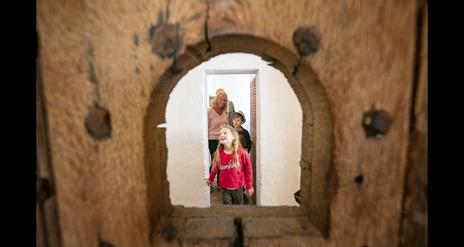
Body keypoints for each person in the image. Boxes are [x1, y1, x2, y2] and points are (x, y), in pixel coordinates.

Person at [206, 125, 254, 205]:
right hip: (224, 188)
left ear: (233, 137)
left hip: (238, 188)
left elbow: (248, 170)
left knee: (238, 209)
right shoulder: (219, 154)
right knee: (227, 208)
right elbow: (214, 168)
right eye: (220, 134)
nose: (221, 135)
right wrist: (211, 179)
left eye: (225, 133)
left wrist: (249, 186)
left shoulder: (242, 153)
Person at [208, 90, 229, 190]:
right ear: (217, 99)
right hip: (212, 139)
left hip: (223, 140)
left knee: (222, 161)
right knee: (215, 161)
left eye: (225, 100)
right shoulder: (209, 111)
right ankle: (210, 182)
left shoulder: (225, 111)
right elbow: (206, 127)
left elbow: (226, 125)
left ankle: (221, 183)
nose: (223, 101)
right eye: (221, 99)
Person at [231, 110, 253, 204]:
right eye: (234, 119)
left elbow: (248, 145)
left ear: (242, 121)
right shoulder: (230, 131)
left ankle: (242, 196)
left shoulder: (245, 133)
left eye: (238, 120)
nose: (236, 122)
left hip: (241, 158)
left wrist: (244, 155)